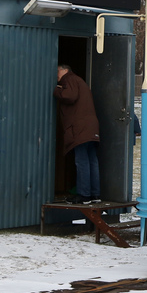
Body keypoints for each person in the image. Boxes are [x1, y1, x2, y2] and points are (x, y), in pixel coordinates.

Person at [54, 63, 102, 205]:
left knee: (81, 161)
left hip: (80, 129)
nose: (56, 75)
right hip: (91, 128)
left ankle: (84, 195)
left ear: (64, 70)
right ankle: (95, 194)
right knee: (92, 160)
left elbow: (70, 96)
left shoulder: (69, 79)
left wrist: (57, 91)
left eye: (57, 71)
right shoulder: (80, 81)